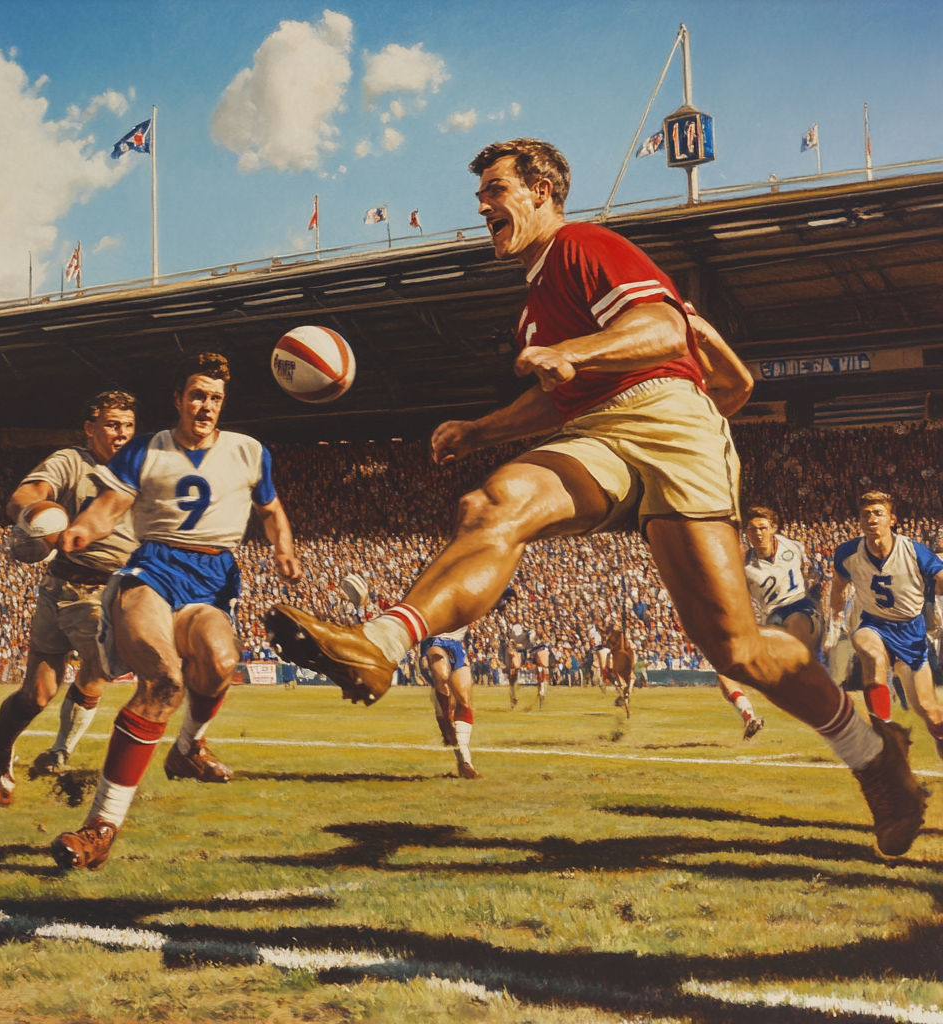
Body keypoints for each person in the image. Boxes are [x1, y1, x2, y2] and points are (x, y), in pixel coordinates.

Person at [267, 138, 926, 858]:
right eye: (482, 194)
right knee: (491, 506)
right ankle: (380, 643)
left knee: (733, 646)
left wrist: (576, 351)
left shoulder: (584, 246)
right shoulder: (531, 312)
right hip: (596, 433)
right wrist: (480, 430)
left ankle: (873, 754)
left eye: (495, 190)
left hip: (668, 419)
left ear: (543, 191)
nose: (484, 204)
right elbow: (557, 403)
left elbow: (666, 327)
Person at [50, 353, 302, 871]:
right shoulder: (147, 449)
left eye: (214, 398)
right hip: (153, 570)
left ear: (222, 403)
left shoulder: (249, 452)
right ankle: (101, 825)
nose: (205, 406)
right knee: (164, 679)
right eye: (196, 395)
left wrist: (283, 549)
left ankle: (188, 748)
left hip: (212, 581)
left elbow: (271, 511)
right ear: (179, 400)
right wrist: (81, 530)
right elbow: (109, 508)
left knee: (220, 659)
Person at [0, 390, 138, 807]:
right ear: (90, 428)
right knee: (38, 694)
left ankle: (58, 752)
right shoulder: (72, 460)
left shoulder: (143, 469)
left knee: (97, 664)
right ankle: (4, 751)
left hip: (110, 590)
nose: (121, 434)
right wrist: (35, 516)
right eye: (111, 425)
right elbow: (26, 494)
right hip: (67, 587)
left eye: (127, 426)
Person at [826, 491, 943, 758]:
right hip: (872, 623)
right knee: (871, 654)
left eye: (878, 513)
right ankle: (885, 734)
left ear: (892, 519)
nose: (871, 518)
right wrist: (834, 620)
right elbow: (838, 587)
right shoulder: (847, 552)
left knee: (928, 709)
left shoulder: (913, 550)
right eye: (865, 514)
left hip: (911, 632)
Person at [718, 506, 824, 740]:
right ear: (746, 532)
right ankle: (749, 716)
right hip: (772, 619)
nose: (758, 533)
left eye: (763, 528)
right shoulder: (743, 567)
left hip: (799, 608)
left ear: (774, 529)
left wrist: (816, 593)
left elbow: (811, 573)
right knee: (725, 670)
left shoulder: (794, 546)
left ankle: (811, 685)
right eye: (752, 529)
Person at [422, 626, 482, 779]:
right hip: (434, 642)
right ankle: (444, 714)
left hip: (455, 645)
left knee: (463, 699)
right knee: (442, 677)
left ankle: (465, 762)